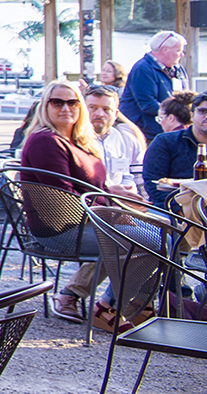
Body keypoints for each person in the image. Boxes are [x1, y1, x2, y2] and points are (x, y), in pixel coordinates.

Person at [21, 81, 164, 332]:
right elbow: (65, 197)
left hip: (87, 220)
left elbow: (89, 188)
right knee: (149, 243)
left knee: (164, 235)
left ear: (80, 107)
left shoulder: (78, 140)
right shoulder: (46, 141)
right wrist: (114, 211)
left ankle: (139, 304)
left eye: (72, 102)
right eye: (57, 102)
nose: (66, 108)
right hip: (61, 231)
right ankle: (110, 307)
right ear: (45, 107)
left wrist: (112, 195)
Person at [52, 84, 146, 322]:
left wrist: (139, 200)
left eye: (106, 109)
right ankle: (105, 303)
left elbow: (132, 176)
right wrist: (112, 205)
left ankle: (148, 300)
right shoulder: (72, 139)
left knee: (171, 233)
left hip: (120, 204)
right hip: (88, 213)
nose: (99, 114)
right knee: (134, 240)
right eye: (92, 107)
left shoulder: (123, 138)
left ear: (116, 114)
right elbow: (70, 192)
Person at [119, 30, 189, 141]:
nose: (182, 55)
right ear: (165, 49)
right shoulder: (142, 69)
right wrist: (177, 115)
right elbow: (147, 105)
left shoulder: (178, 69)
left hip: (173, 131)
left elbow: (185, 97)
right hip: (148, 134)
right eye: (178, 51)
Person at [143, 91, 207, 209]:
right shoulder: (165, 142)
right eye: (203, 111)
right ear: (192, 115)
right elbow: (154, 186)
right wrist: (181, 211)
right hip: (174, 214)